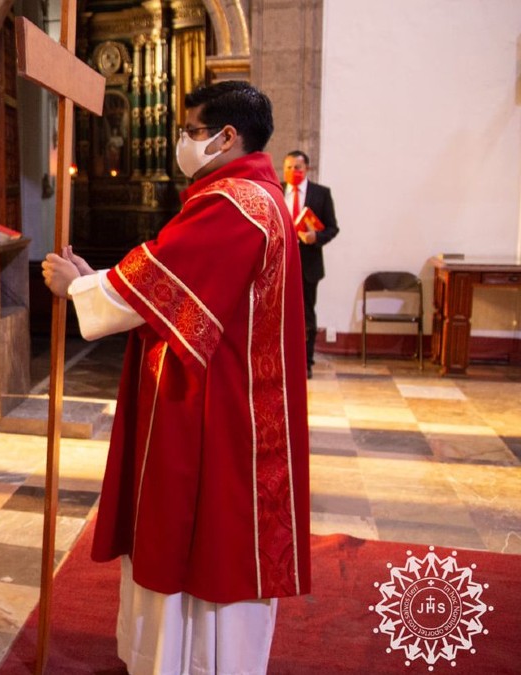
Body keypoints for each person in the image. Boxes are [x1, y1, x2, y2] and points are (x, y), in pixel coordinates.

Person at [42, 81, 310, 675]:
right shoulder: (258, 197)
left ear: (227, 136)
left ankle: (191, 664)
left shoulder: (235, 203)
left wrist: (78, 287)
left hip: (216, 403)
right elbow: (174, 272)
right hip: (234, 387)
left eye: (192, 131)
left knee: (204, 529)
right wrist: (101, 277)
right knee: (213, 527)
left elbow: (169, 277)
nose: (184, 143)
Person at [283, 150, 339, 378]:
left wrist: (316, 238)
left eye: (297, 167)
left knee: (305, 315)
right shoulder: (276, 190)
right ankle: (281, 360)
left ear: (306, 169)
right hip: (282, 261)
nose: (292, 172)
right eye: (288, 167)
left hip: (308, 264)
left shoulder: (320, 194)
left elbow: (332, 228)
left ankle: (305, 363)